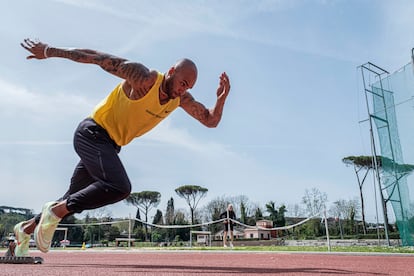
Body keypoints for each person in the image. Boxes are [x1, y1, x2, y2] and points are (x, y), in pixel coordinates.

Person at [14, 38, 231, 256]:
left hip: (110, 145)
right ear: (172, 71)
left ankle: (25, 228)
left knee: (74, 195)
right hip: (92, 133)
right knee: (119, 186)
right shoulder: (144, 78)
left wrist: (220, 100)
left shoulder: (180, 99)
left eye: (189, 87)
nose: (183, 90)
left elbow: (210, 120)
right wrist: (50, 51)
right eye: (182, 83)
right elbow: (97, 58)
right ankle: (55, 212)